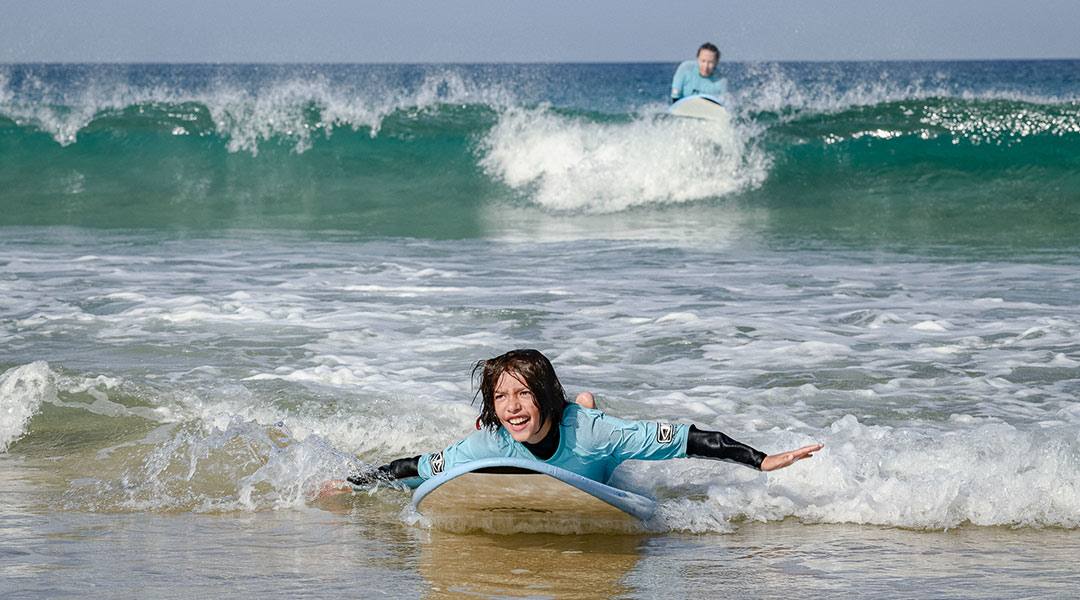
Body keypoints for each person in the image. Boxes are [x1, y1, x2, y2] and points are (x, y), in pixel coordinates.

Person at [344, 349, 821, 488]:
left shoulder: (598, 436)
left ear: (544, 397)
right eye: (500, 398)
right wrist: (352, 483)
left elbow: (688, 438)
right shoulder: (490, 443)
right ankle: (579, 401)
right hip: (556, 432)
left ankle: (581, 403)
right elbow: (417, 467)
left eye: (524, 395)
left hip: (591, 453)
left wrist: (760, 461)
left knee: (588, 417)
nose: (511, 407)